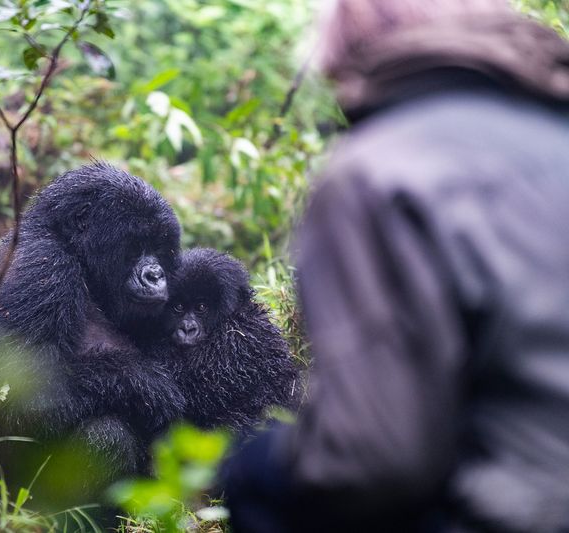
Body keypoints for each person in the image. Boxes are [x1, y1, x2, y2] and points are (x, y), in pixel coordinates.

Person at [221, 1, 569, 531]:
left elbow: (375, 459)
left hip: (517, 510)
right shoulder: (553, 137)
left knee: (256, 474)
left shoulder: (380, 168)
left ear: (350, 41)